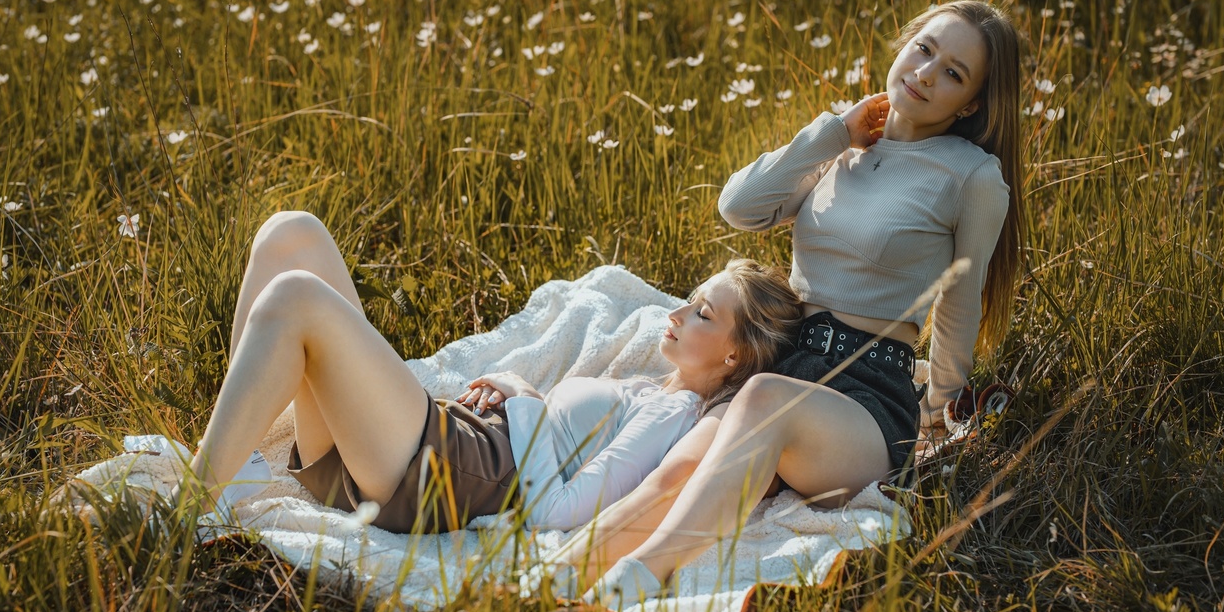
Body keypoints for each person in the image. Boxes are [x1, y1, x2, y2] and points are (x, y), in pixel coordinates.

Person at [571, 0, 1026, 603]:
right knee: (679, 469)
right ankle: (549, 576)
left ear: (970, 103)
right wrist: (836, 130)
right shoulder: (844, 142)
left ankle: (641, 576)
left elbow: (960, 305)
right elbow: (739, 207)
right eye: (924, 50)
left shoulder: (971, 175)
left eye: (953, 73)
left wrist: (937, 408)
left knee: (760, 398)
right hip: (792, 364)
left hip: (870, 400)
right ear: (904, 47)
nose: (925, 73)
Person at [172, 210, 802, 533]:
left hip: (451, 473)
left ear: (734, 357)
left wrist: (526, 401)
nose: (676, 313)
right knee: (293, 234)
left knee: (295, 298)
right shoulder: (646, 387)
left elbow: (557, 510)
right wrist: (524, 399)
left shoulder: (674, 416)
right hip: (424, 448)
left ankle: (182, 514)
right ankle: (239, 466)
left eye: (701, 313)